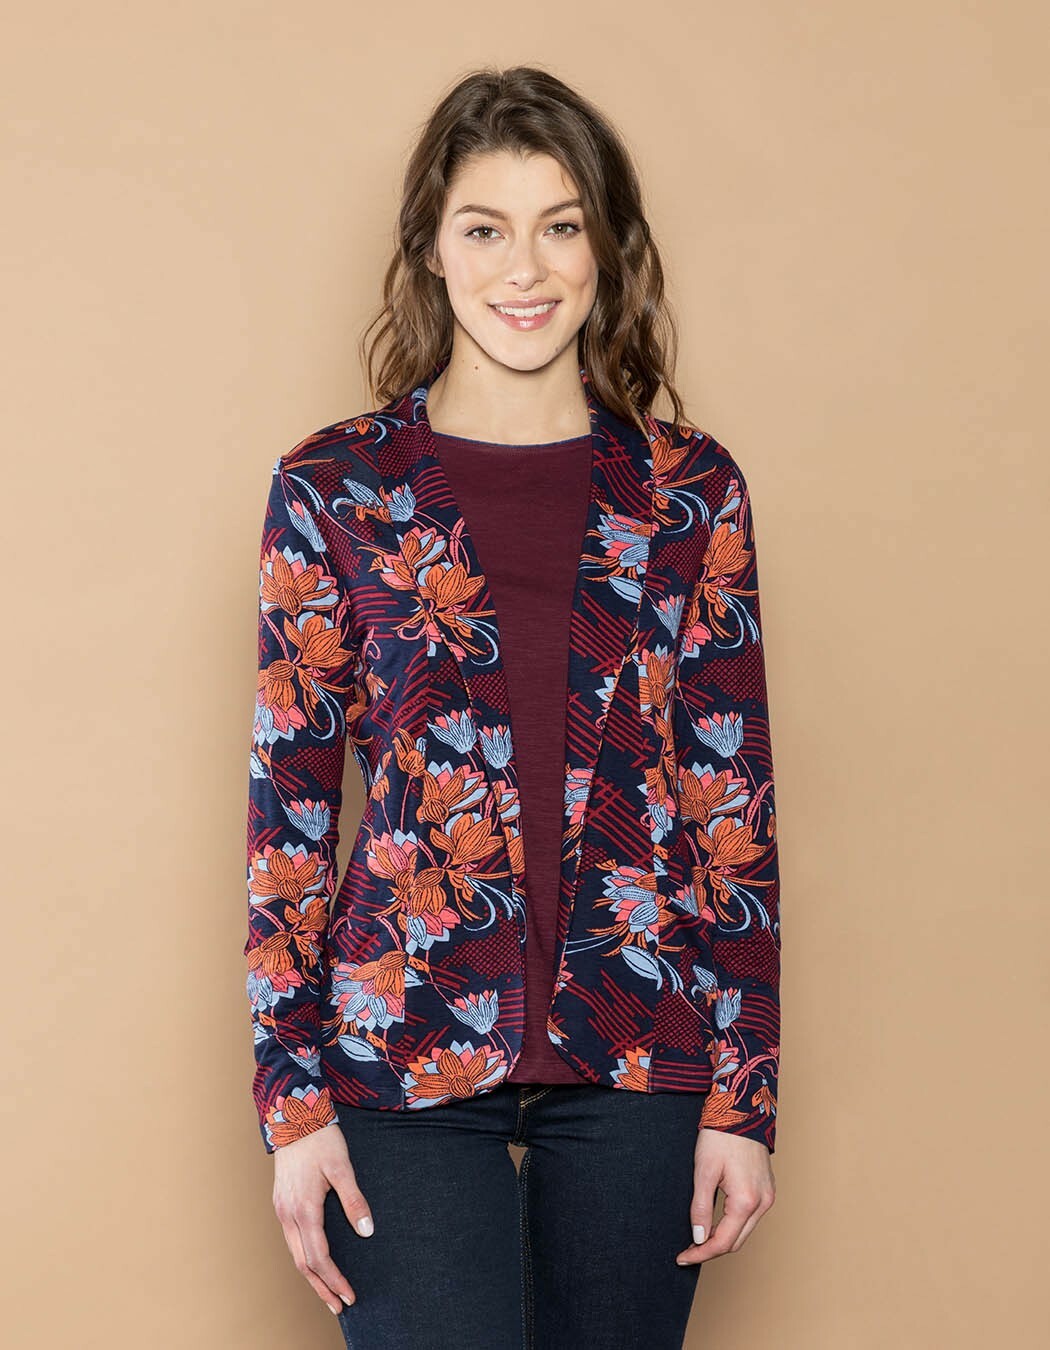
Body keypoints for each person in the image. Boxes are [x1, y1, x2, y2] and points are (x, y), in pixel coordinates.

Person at [245, 64, 781, 1350]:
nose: (524, 268)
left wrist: (746, 1097)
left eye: (561, 226)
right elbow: (289, 816)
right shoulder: (335, 487)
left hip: (643, 1049)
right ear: (432, 250)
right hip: (400, 1046)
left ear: (607, 248)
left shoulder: (690, 492)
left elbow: (734, 813)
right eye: (485, 228)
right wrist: (291, 1105)